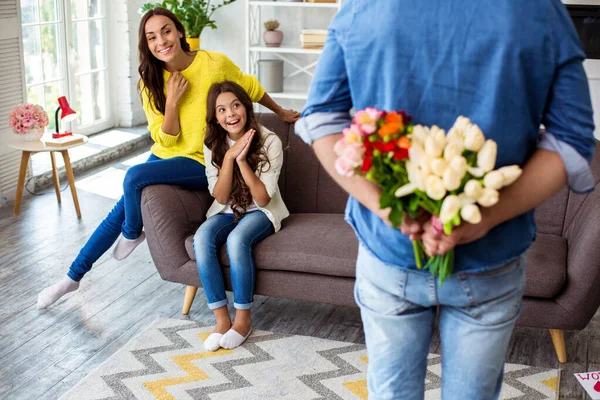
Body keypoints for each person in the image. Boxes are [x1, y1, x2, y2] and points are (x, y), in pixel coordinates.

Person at [295, 1, 595, 399]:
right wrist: (486, 217)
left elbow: (320, 119)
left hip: (390, 250)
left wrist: (389, 207)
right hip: (491, 258)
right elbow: (572, 139)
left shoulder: (364, 6)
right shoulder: (539, 9)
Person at [37, 7, 298, 309]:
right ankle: (73, 276)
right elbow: (165, 139)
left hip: (202, 161)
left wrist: (280, 112)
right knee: (121, 206)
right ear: (146, 45)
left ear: (179, 32)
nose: (161, 41)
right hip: (165, 156)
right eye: (151, 37)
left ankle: (133, 233)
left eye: (166, 31)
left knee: (133, 177)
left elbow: (249, 87)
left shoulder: (213, 64)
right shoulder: (150, 81)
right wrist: (172, 101)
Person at [193, 81, 289, 351]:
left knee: (237, 241)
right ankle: (222, 321)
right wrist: (227, 159)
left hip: (262, 211)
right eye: (221, 109)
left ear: (246, 107)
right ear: (215, 116)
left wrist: (242, 160)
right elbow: (221, 197)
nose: (230, 114)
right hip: (228, 209)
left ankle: (243, 320)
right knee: (202, 238)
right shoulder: (212, 142)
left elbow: (262, 198)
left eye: (235, 105)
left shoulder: (270, 141)